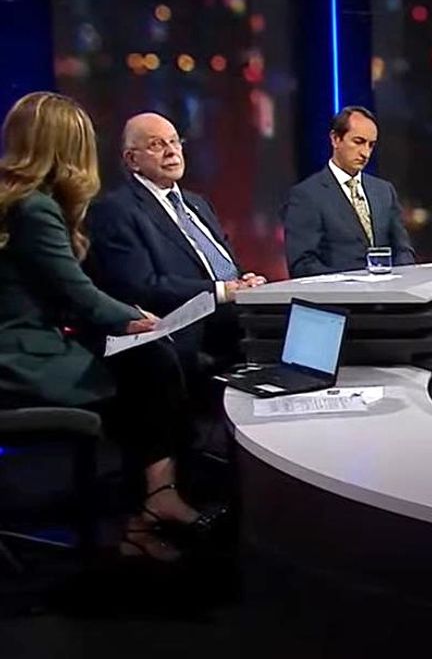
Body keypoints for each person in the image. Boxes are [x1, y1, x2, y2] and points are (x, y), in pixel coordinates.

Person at [0, 92, 218, 561]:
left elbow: (58, 293)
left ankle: (147, 511)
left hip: (26, 344)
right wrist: (136, 318)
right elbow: (76, 291)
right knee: (149, 368)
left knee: (145, 362)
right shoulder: (34, 209)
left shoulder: (16, 198)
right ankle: (151, 505)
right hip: (20, 360)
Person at [86, 112, 266, 376]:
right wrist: (222, 291)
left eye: (174, 141)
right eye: (156, 145)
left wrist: (244, 280)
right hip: (185, 334)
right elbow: (142, 287)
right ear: (132, 160)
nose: (171, 151)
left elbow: (224, 265)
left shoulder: (197, 203)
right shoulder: (117, 210)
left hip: (236, 318)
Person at [282, 105, 415, 277]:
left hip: (388, 292)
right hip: (338, 293)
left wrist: (399, 280)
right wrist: (351, 283)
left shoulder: (384, 191)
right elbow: (302, 264)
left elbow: (404, 250)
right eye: (358, 142)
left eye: (371, 145)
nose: (365, 153)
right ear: (335, 139)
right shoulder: (307, 195)